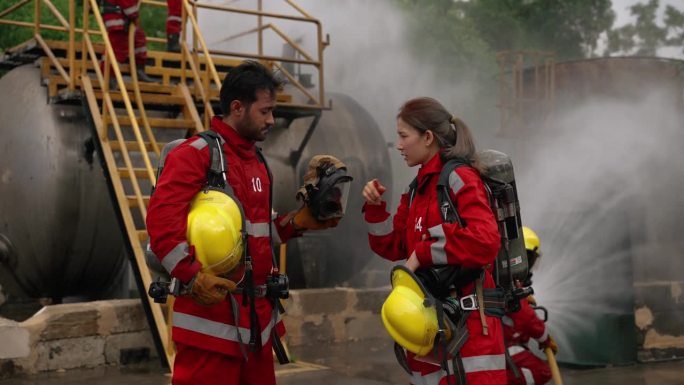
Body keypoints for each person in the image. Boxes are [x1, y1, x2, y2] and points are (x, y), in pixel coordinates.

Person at [146, 60, 337, 385]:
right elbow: (161, 226)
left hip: (257, 328)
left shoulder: (256, 161)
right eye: (264, 111)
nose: (271, 120)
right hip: (210, 329)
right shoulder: (196, 155)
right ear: (237, 107)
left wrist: (297, 223)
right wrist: (193, 277)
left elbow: (255, 234)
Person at [362, 97, 507, 385]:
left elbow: (486, 241)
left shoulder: (461, 178)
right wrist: (376, 210)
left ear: (428, 137)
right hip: (431, 335)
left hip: (471, 338)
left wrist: (424, 251)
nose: (399, 146)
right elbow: (392, 246)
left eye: (404, 136)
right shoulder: (416, 190)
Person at [504, 227, 557, 385]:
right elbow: (527, 318)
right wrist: (545, 339)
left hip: (503, 345)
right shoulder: (510, 286)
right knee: (542, 372)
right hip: (505, 346)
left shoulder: (504, 281)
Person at [102, 0, 155, 83]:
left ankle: (139, 70)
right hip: (118, 19)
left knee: (139, 37)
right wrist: (135, 17)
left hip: (123, 18)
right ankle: (109, 78)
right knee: (117, 50)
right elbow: (127, 3)